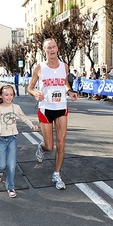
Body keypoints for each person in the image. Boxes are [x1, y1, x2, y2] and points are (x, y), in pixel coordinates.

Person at [27, 38, 78, 190]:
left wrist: (70, 91)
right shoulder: (39, 67)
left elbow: (64, 82)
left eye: (54, 47)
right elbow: (29, 87)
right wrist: (35, 93)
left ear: (57, 48)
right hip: (46, 109)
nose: (51, 50)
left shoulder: (65, 66)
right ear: (44, 51)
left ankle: (57, 173)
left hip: (61, 107)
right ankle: (42, 148)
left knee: (61, 143)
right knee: (50, 146)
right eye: (48, 48)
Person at [0, 84, 38, 198]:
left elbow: (24, 118)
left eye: (11, 94)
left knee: (12, 165)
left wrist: (32, 125)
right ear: (1, 95)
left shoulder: (16, 107)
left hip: (12, 138)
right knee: (2, 164)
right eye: (6, 95)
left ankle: (10, 187)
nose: (9, 97)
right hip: (0, 139)